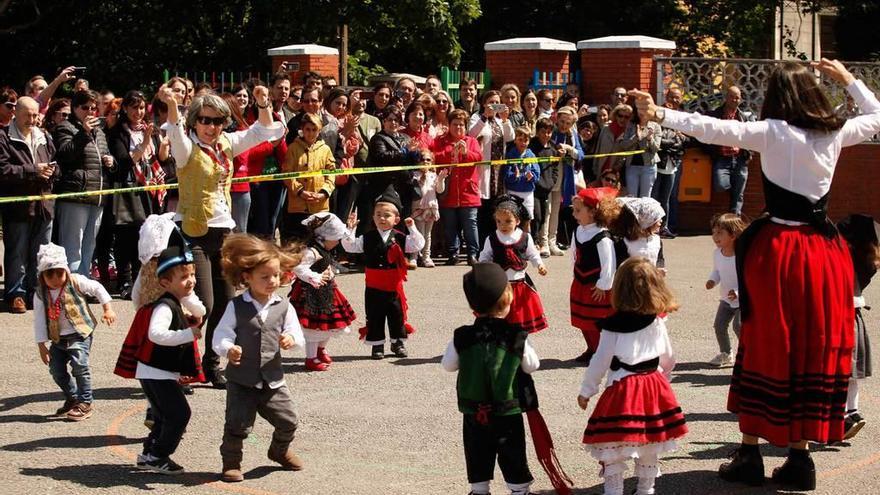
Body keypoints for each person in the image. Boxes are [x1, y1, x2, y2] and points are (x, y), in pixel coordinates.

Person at [630, 58, 880, 491]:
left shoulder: (774, 132)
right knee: (811, 345)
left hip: (780, 249)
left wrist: (659, 113)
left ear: (778, 97)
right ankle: (801, 459)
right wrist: (849, 81)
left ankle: (749, 453)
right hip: (823, 253)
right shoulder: (834, 133)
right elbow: (877, 118)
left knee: (765, 341)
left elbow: (711, 129)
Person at [157, 81, 285, 389]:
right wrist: (173, 104)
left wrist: (263, 102)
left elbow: (266, 132)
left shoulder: (226, 143)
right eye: (204, 120)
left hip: (224, 233)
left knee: (228, 304)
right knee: (202, 304)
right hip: (193, 233)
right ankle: (181, 364)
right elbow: (174, 132)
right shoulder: (187, 147)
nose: (211, 127)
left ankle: (210, 364)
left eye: (216, 121)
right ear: (195, 121)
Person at [577, 257, 687, 495]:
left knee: (614, 442)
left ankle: (614, 489)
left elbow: (600, 360)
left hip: (623, 388)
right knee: (649, 441)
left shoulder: (611, 326)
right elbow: (668, 357)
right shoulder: (657, 322)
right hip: (653, 385)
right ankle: (646, 489)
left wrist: (587, 389)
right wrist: (664, 379)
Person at [440, 262, 540, 495]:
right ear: (508, 299)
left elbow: (448, 365)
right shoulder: (515, 335)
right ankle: (518, 490)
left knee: (477, 451)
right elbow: (532, 365)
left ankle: (480, 489)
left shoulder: (462, 336)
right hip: (508, 410)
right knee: (512, 452)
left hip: (474, 410)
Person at [214, 233, 305, 483]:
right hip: (242, 380)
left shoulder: (283, 305)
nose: (272, 281)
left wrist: (290, 339)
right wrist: (228, 348)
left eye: (275, 275)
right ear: (247, 277)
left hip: (273, 379)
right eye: (264, 277)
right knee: (237, 426)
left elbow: (296, 333)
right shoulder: (236, 306)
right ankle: (231, 464)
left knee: (289, 420)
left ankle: (279, 451)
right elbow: (220, 336)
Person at [126, 241, 202, 474]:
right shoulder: (165, 307)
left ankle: (149, 453)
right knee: (179, 414)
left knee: (162, 415)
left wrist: (188, 296)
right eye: (183, 277)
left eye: (192, 275)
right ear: (165, 283)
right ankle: (158, 455)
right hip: (155, 371)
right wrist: (186, 334)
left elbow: (201, 312)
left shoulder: (176, 300)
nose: (190, 280)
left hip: (155, 371)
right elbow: (156, 334)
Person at [34, 243, 115, 421]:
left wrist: (107, 309)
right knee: (56, 370)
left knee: (80, 366)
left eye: (59, 273)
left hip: (80, 333)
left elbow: (97, 288)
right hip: (58, 338)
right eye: (49, 274)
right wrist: (41, 345)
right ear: (42, 275)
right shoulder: (40, 293)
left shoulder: (76, 281)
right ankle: (73, 397)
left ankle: (85, 402)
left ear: (66, 271)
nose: (55, 279)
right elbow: (39, 320)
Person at [342, 189, 424, 359]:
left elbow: (418, 245)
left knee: (396, 314)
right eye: (378, 214)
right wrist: (350, 230)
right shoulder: (367, 237)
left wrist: (412, 227)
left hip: (393, 286)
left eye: (386, 215)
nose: (382, 218)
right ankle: (377, 345)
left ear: (396, 220)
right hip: (373, 286)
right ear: (373, 217)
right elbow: (349, 246)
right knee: (374, 315)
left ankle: (397, 343)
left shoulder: (400, 237)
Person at [0, 96, 59, 314]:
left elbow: (56, 164)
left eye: (35, 115)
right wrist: (34, 170)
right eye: (28, 115)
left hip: (44, 203)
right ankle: (16, 294)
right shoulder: (4, 137)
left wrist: (52, 171)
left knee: (41, 253)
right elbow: (3, 169)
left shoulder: (44, 136)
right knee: (17, 252)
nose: (32, 119)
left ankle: (38, 294)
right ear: (15, 112)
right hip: (18, 207)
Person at [107, 91, 169, 299]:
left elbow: (161, 158)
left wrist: (160, 142)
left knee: (146, 234)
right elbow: (124, 161)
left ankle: (141, 279)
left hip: (150, 188)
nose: (138, 112)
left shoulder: (150, 129)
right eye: (134, 107)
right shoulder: (118, 132)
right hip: (128, 187)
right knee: (127, 236)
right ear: (125, 108)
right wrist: (143, 143)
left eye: (142, 107)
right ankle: (125, 280)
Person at [53, 89, 115, 276]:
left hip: (97, 195)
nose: (90, 112)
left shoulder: (101, 132)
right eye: (85, 107)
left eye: (94, 108)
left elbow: (104, 157)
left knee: (90, 245)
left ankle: (83, 283)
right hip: (75, 195)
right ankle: (71, 287)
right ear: (74, 108)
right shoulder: (65, 127)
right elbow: (65, 154)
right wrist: (83, 132)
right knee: (73, 246)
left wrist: (111, 162)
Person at [289, 213, 356, 371]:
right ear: (325, 237)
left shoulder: (324, 248)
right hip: (311, 294)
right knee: (313, 327)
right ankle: (311, 358)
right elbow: (298, 268)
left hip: (326, 291)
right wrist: (315, 277)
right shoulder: (312, 252)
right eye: (336, 238)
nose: (338, 241)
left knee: (329, 324)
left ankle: (321, 350)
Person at [478, 195, 548, 334]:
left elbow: (532, 254)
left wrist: (539, 264)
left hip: (520, 285)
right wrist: (482, 268)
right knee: (499, 316)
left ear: (517, 221)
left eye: (507, 221)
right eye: (499, 221)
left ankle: (518, 342)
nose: (502, 225)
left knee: (518, 316)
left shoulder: (525, 237)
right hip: (500, 285)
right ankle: (499, 340)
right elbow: (485, 256)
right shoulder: (492, 238)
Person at [837, 214, 879, 440]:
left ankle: (841, 417)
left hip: (838, 317)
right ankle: (851, 411)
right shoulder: (865, 262)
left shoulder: (840, 259)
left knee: (840, 372)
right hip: (854, 316)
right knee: (852, 372)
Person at [570, 187, 620, 363]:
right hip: (581, 282)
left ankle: (603, 352)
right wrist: (575, 274)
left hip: (596, 286)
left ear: (592, 212)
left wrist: (603, 285)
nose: (575, 214)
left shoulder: (602, 236)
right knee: (583, 321)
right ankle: (592, 349)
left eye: (578, 210)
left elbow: (609, 264)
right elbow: (574, 255)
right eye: (574, 210)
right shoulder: (578, 231)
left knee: (598, 321)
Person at [433, 109, 483, 266]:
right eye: (455, 124)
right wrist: (452, 154)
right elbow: (436, 156)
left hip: (468, 191)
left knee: (470, 224)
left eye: (461, 125)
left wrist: (465, 153)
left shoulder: (472, 141)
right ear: (449, 125)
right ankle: (452, 253)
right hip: (449, 192)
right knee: (450, 225)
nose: (458, 128)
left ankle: (472, 254)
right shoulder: (440, 140)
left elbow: (478, 158)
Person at [281, 112, 335, 241]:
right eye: (307, 129)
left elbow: (332, 174)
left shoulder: (325, 149)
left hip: (319, 204)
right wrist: (300, 192)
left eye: (314, 129)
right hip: (298, 205)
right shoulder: (293, 148)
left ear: (319, 130)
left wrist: (324, 193)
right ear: (302, 130)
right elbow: (287, 174)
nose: (310, 133)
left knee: (317, 240)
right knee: (298, 240)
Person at [469, 90, 514, 242]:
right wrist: (484, 117)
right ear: (484, 103)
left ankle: (495, 241)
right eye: (491, 102)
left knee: (496, 206)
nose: (494, 106)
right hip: (484, 169)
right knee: (484, 208)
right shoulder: (477, 117)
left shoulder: (500, 120)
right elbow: (471, 134)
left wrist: (506, 120)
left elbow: (510, 137)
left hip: (499, 170)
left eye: (497, 103)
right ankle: (482, 243)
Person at [705, 213, 746, 367]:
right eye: (714, 232)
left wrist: (737, 292)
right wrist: (712, 281)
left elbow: (747, 279)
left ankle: (748, 353)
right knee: (719, 325)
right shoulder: (717, 254)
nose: (715, 236)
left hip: (742, 300)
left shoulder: (742, 257)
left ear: (733, 235)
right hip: (725, 299)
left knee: (739, 326)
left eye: (720, 233)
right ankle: (726, 353)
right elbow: (717, 271)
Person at [707, 86, 754, 215]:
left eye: (737, 97)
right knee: (721, 185)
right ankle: (733, 192)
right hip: (722, 158)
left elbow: (752, 137)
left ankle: (734, 220)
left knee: (739, 194)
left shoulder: (744, 117)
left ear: (741, 99)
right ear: (726, 98)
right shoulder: (716, 115)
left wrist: (749, 153)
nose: (734, 100)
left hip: (739, 159)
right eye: (732, 97)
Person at [653, 88, 687, 238]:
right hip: (659, 163)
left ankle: (667, 226)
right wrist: (675, 139)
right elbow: (660, 141)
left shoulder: (683, 116)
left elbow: (687, 140)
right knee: (655, 196)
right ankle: (653, 225)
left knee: (669, 197)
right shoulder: (658, 116)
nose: (674, 101)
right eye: (672, 97)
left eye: (677, 98)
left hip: (674, 162)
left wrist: (679, 139)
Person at [529, 117, 560, 257]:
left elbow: (555, 168)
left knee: (543, 217)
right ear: (537, 132)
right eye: (543, 132)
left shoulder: (553, 148)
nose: (546, 135)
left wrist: (551, 182)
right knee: (535, 215)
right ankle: (534, 242)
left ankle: (541, 242)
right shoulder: (532, 147)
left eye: (549, 132)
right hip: (534, 188)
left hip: (546, 188)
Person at [411, 150, 445, 268]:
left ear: (432, 162)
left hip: (431, 208)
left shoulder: (433, 176)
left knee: (427, 234)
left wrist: (441, 179)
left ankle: (426, 257)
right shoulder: (414, 174)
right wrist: (421, 177)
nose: (425, 162)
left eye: (428, 160)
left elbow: (440, 190)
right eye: (422, 159)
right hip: (419, 208)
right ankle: (414, 257)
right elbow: (415, 189)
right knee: (417, 233)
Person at [503, 126, 540, 231]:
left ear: (529, 141)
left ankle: (527, 241)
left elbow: (537, 173)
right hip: (513, 192)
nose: (523, 143)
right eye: (520, 140)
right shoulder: (510, 155)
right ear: (515, 140)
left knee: (527, 219)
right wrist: (514, 176)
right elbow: (506, 175)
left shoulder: (531, 156)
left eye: (526, 140)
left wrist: (532, 176)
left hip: (527, 193)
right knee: (512, 218)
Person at [613, 197, 666, 269]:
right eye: (656, 218)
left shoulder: (657, 240)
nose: (661, 221)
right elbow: (622, 267)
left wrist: (659, 268)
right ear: (646, 221)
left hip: (652, 279)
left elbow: (659, 259)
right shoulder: (625, 242)